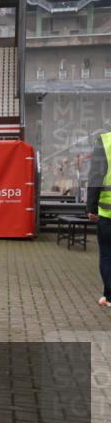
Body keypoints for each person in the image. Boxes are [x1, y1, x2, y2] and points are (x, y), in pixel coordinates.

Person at [88, 131, 110, 307]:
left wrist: (91, 207)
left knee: (107, 255)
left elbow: (96, 176)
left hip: (108, 214)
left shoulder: (105, 141)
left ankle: (109, 296)